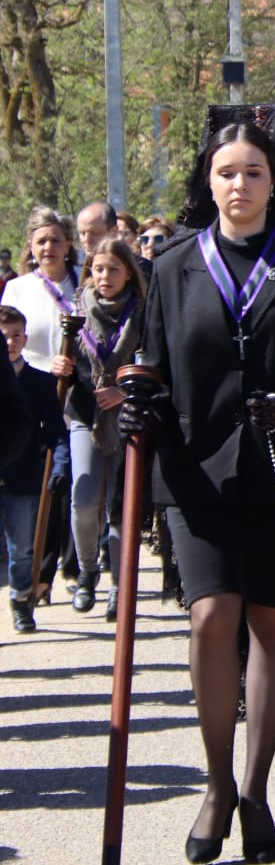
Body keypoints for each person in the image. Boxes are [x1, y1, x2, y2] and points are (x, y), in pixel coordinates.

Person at [129, 112, 275, 865]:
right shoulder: (169, 267)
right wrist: (136, 402)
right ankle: (216, 784)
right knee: (209, 618)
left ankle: (255, 790)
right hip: (195, 472)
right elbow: (148, 366)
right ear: (208, 181)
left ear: (273, 182)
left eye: (254, 173)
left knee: (271, 621)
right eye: (227, 173)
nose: (239, 185)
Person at [58, 238, 145, 622]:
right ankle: (88, 569)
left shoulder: (144, 315)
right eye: (98, 269)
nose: (105, 276)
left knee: (118, 505)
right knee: (84, 495)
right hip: (84, 414)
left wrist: (123, 393)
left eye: (113, 269)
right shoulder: (76, 315)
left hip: (127, 417)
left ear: (128, 272)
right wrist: (59, 369)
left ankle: (118, 585)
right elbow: (64, 367)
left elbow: (154, 366)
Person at [4, 206, 82, 602]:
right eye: (40, 241)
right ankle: (39, 575)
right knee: (41, 487)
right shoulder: (18, 288)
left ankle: (69, 567)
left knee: (72, 486)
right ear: (31, 248)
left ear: (68, 244)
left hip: (78, 397)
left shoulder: (81, 284)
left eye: (55, 240)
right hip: (32, 399)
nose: (48, 247)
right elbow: (10, 342)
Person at [0, 304, 63, 634]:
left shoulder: (38, 383)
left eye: (15, 336)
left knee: (22, 547)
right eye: (3, 336)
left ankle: (21, 600)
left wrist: (61, 463)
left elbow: (54, 429)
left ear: (25, 339)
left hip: (23, 474)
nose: (9, 342)